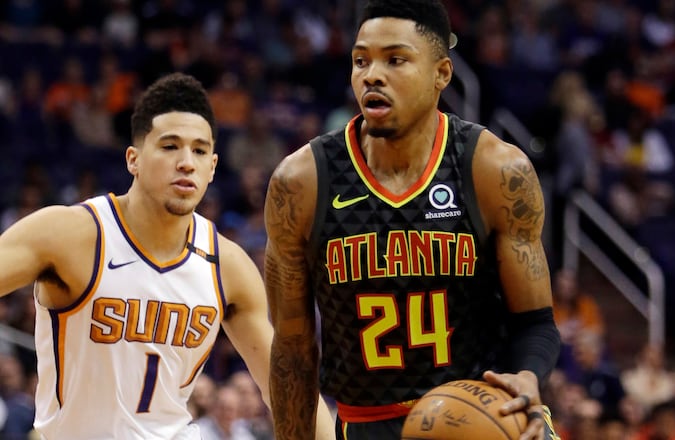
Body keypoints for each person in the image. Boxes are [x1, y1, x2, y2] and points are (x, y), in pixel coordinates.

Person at [262, 1, 561, 439]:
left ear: (442, 73)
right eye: (360, 60)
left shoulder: (495, 170)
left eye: (395, 59)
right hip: (368, 423)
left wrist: (529, 376)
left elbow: (535, 323)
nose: (372, 75)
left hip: (481, 414)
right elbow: (292, 348)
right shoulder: (302, 182)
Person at [0, 72, 334, 439]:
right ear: (134, 159)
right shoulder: (68, 235)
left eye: (200, 150)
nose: (187, 162)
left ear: (212, 168)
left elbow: (287, 389)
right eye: (170, 146)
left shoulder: (228, 266)